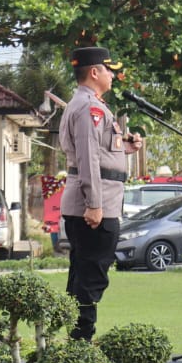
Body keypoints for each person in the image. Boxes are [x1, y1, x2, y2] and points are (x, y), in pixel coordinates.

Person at [61, 46, 141, 340]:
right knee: (91, 277)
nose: (113, 75)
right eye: (109, 69)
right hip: (95, 207)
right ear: (94, 72)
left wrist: (127, 148)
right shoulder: (90, 108)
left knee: (83, 276)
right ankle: (80, 342)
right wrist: (94, 204)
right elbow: (88, 157)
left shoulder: (90, 105)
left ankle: (76, 341)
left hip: (97, 202)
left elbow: (100, 153)